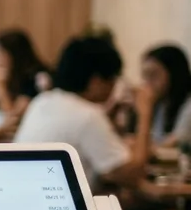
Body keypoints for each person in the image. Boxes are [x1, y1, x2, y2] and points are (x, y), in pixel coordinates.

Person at [14, 36, 152, 190]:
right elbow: (131, 174)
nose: (114, 86)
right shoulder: (88, 116)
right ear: (96, 81)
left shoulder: (43, 100)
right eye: (112, 79)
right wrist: (145, 112)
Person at [0, 28, 48, 140]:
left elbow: (13, 120)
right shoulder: (5, 77)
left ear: (12, 55)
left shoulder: (35, 78)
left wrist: (0, 87)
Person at [141, 45, 191, 147]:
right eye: (145, 76)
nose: (147, 83)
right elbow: (155, 138)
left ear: (174, 73)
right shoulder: (162, 103)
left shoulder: (188, 104)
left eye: (153, 75)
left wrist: (144, 111)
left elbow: (174, 141)